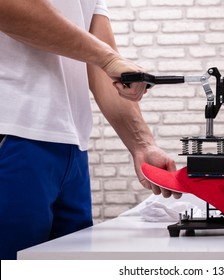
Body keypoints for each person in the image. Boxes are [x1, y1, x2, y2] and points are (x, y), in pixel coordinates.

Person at [0, 0, 181, 260]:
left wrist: (142, 144)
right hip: (14, 132)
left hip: (71, 151)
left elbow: (103, 67)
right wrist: (108, 58)